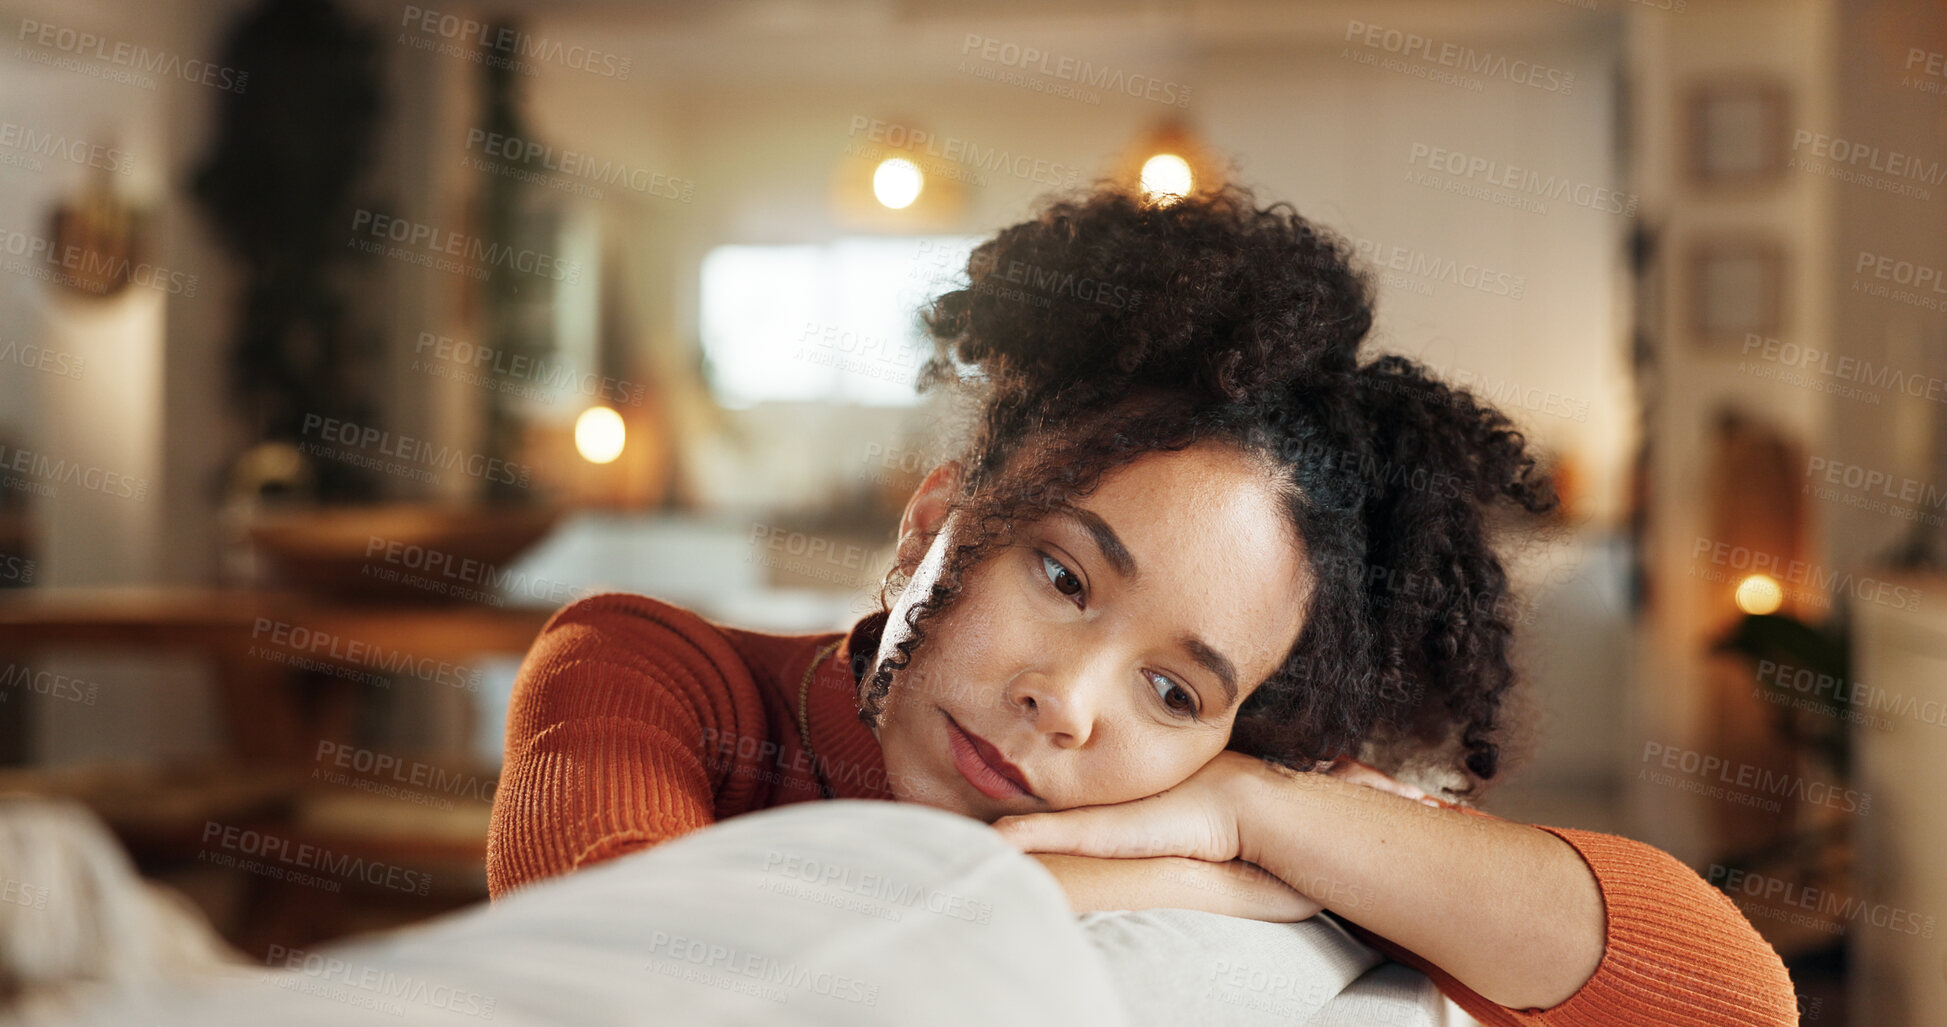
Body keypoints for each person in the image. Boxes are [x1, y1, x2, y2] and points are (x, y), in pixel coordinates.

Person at [487, 184, 1800, 1025]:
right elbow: (624, 977)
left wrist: (1253, 810)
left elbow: (1731, 999)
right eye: (1062, 578)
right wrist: (1054, 884)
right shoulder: (648, 667)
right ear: (938, 526)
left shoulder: (1205, 798)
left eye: (1177, 691)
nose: (1065, 702)